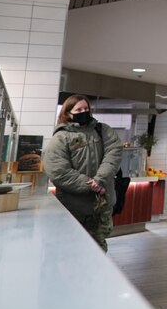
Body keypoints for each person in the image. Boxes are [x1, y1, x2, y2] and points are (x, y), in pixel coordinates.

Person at [44, 94, 123, 251]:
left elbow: (114, 154)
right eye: (79, 109)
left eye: (86, 108)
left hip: (101, 207)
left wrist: (99, 179)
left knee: (99, 247)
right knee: (72, 249)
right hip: (74, 207)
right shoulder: (61, 137)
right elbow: (58, 171)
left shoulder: (103, 131)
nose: (84, 112)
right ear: (68, 113)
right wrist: (90, 185)